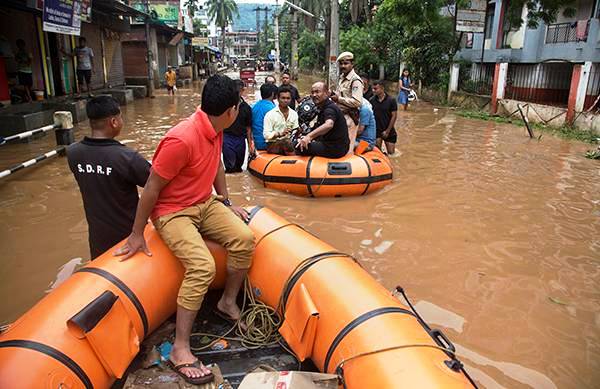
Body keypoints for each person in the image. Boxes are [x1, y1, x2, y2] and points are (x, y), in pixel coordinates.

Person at [115, 75, 254, 385]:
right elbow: (151, 187)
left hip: (204, 202)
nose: (241, 108)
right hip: (173, 212)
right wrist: (137, 233)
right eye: (240, 104)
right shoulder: (181, 138)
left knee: (244, 239)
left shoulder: (216, 127)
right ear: (230, 110)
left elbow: (216, 165)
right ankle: (180, 348)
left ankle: (227, 302)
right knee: (202, 266)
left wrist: (226, 201)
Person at [66, 96, 150, 259]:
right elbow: (158, 184)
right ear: (114, 122)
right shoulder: (127, 158)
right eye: (120, 117)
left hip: (98, 244)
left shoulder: (73, 153)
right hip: (130, 241)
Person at [296, 82, 349, 159]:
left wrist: (309, 137)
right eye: (312, 92)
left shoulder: (330, 108)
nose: (314, 95)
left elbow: (329, 124)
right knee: (300, 141)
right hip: (333, 145)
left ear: (327, 93)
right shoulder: (322, 108)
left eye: (317, 92)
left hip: (335, 148)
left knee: (296, 146)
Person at [331, 51, 362, 155]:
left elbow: (357, 102)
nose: (343, 66)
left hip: (350, 117)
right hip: (341, 116)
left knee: (348, 147)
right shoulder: (342, 78)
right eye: (341, 63)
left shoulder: (355, 80)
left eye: (346, 63)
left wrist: (339, 99)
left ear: (352, 64)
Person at [223, 80, 253, 172]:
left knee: (239, 167)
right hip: (227, 137)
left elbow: (248, 128)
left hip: (240, 139)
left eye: (238, 91)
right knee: (230, 167)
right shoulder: (224, 106)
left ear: (242, 91)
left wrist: (250, 144)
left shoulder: (246, 108)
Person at [263, 86, 299, 155]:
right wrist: (279, 134)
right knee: (286, 141)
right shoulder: (270, 114)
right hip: (273, 144)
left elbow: (295, 131)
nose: (285, 100)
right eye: (283, 98)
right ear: (277, 98)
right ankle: (294, 160)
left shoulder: (294, 114)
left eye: (288, 98)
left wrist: (299, 131)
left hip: (290, 142)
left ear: (291, 99)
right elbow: (266, 135)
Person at [370, 80, 398, 155]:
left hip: (389, 130)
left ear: (382, 88)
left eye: (375, 89)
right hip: (377, 130)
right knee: (378, 154)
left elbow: (394, 116)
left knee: (392, 154)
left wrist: (388, 131)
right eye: (372, 88)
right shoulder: (372, 100)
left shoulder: (391, 100)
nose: (373, 90)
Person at [251, 83, 278, 151]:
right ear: (272, 94)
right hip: (267, 144)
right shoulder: (273, 109)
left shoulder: (254, 107)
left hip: (256, 142)